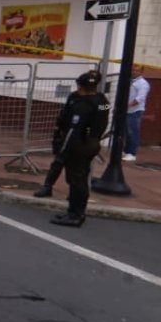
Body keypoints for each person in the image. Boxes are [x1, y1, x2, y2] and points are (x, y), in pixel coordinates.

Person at [50, 70, 110, 227]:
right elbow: (103, 120)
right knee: (81, 177)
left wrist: (61, 148)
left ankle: (75, 214)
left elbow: (73, 130)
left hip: (79, 144)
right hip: (93, 142)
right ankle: (75, 211)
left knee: (76, 180)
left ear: (81, 86)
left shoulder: (83, 105)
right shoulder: (102, 100)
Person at [124, 68, 149, 162]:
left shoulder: (142, 83)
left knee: (133, 132)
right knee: (127, 131)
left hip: (135, 111)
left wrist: (127, 106)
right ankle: (126, 151)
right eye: (133, 70)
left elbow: (140, 98)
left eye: (137, 70)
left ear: (141, 72)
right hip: (127, 111)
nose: (134, 72)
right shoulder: (130, 81)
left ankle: (132, 153)